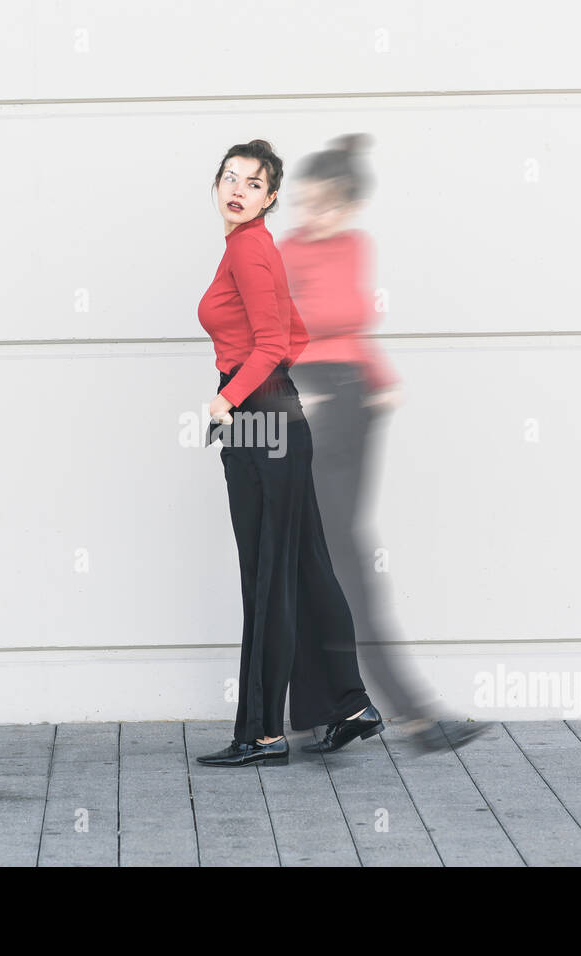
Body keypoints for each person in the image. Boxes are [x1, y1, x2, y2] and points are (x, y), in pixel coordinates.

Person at [281, 133, 491, 755]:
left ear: (349, 208)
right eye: (304, 202)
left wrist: (380, 382)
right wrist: (293, 390)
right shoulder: (284, 254)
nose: (309, 215)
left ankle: (330, 715)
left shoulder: (353, 247)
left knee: (329, 561)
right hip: (312, 407)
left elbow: (352, 326)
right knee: (341, 565)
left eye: (324, 204)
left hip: (356, 408)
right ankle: (415, 716)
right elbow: (264, 333)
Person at [194, 139, 384, 768]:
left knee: (269, 573)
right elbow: (295, 335)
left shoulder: (248, 249)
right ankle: (349, 705)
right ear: (217, 185)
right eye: (230, 178)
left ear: (271, 198)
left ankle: (262, 733)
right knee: (301, 563)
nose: (238, 189)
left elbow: (274, 341)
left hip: (258, 419)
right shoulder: (254, 249)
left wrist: (232, 400)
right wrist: (271, 395)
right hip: (278, 414)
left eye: (253, 183)